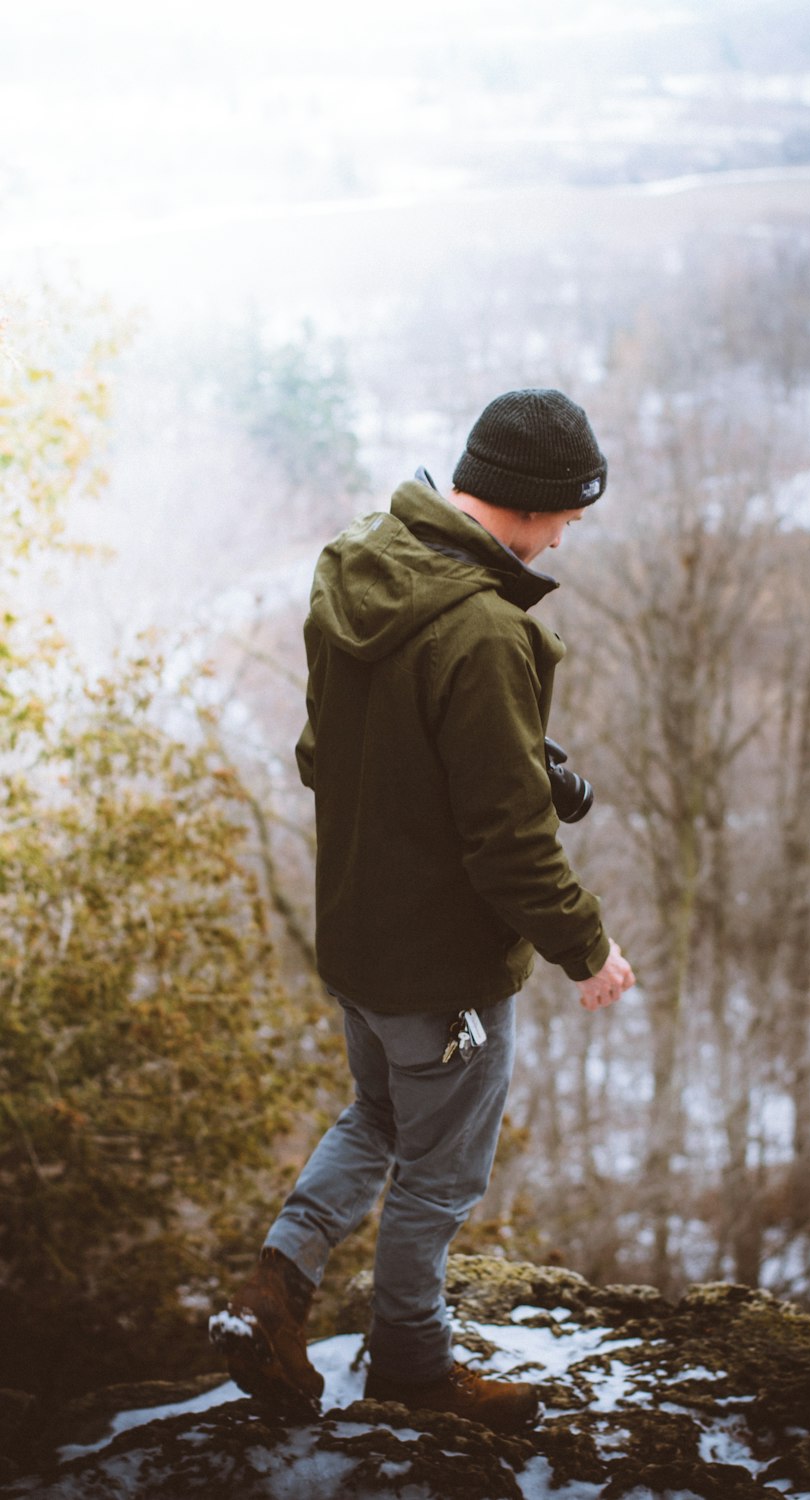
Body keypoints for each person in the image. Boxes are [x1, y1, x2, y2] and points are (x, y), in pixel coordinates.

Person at [209, 388, 635, 1434]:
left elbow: (331, 751)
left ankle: (270, 1292)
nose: (570, 533)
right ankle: (410, 1364)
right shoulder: (483, 631)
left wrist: (504, 752)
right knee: (438, 1179)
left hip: (359, 934)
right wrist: (587, 948)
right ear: (533, 504)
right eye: (570, 513)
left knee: (377, 1118)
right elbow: (505, 844)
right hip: (442, 968)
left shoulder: (361, 563)